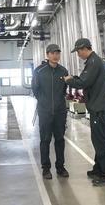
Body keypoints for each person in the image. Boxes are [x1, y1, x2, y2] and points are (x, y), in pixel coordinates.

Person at [63, 38, 105, 186]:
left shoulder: (93, 62)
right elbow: (86, 80)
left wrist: (69, 80)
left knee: (100, 142)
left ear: (84, 49)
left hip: (99, 109)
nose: (78, 55)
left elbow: (83, 82)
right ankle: (98, 169)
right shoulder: (93, 61)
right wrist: (75, 78)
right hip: (98, 107)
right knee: (98, 140)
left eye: (78, 52)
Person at [32, 44, 70, 180]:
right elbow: (35, 89)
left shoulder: (63, 71)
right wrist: (44, 102)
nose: (55, 56)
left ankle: (60, 167)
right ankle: (46, 168)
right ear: (47, 55)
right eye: (52, 53)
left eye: (57, 53)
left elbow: (64, 90)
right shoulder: (39, 71)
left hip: (60, 112)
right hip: (45, 111)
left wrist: (59, 103)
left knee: (60, 139)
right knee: (45, 140)